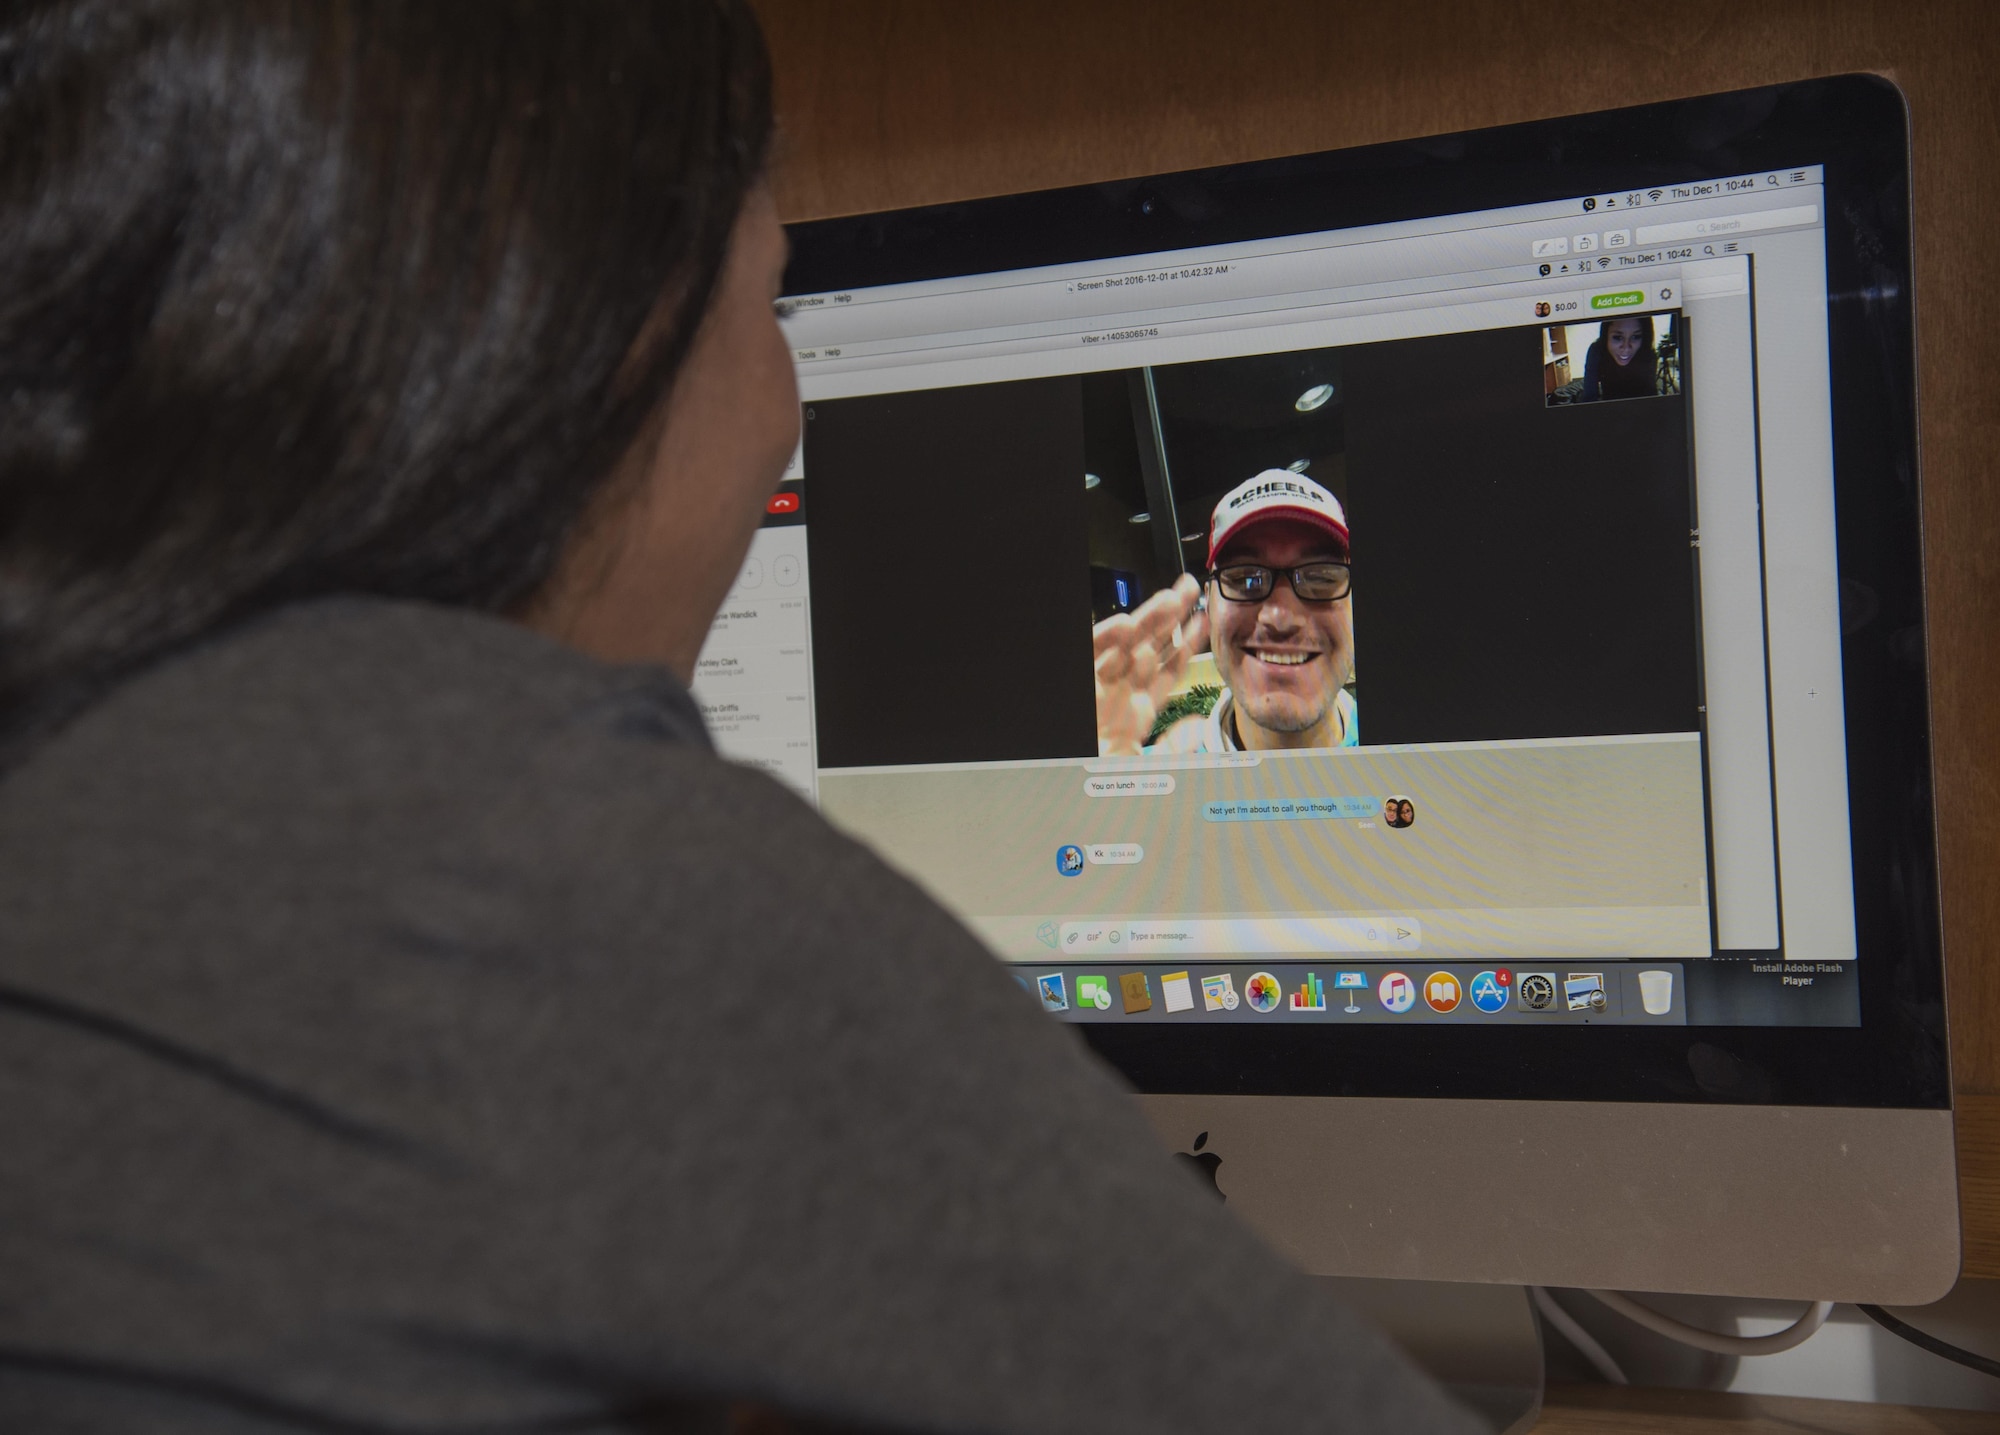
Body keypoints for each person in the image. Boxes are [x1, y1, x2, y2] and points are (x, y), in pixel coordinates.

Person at [0, 5, 1477, 1434]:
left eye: (1319, 581)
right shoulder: (567, 869)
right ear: (599, 338)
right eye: (766, 302)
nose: (789, 407)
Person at [1095, 471, 1357, 754]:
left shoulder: (1403, 749)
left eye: (1321, 578)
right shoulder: (1139, 776)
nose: (1281, 619)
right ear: (1209, 604)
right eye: (1246, 579)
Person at [1582, 314, 1661, 401]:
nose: (1626, 348)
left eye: (1635, 337)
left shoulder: (1648, 353)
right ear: (1605, 336)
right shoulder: (1597, 351)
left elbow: (1651, 397)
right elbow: (1589, 397)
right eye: (1618, 337)